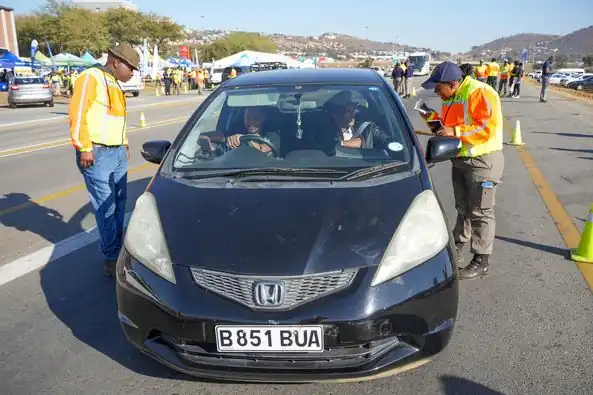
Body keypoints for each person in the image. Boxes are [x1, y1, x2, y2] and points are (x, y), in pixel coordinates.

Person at [421, 62, 504, 279]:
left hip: (481, 161)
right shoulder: (452, 97)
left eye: (438, 88)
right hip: (460, 159)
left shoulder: (480, 92)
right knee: (463, 209)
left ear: (453, 83)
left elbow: (485, 128)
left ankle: (481, 258)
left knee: (481, 211)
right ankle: (458, 247)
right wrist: (434, 122)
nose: (436, 92)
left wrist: (453, 130)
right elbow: (448, 129)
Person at [69, 43, 139, 276]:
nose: (133, 72)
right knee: (106, 207)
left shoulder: (114, 84)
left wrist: (124, 142)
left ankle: (117, 249)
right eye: (131, 67)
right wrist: (84, 147)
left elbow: (116, 118)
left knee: (119, 203)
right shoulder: (91, 77)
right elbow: (78, 113)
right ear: (116, 62)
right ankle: (111, 257)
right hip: (96, 152)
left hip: (117, 151)